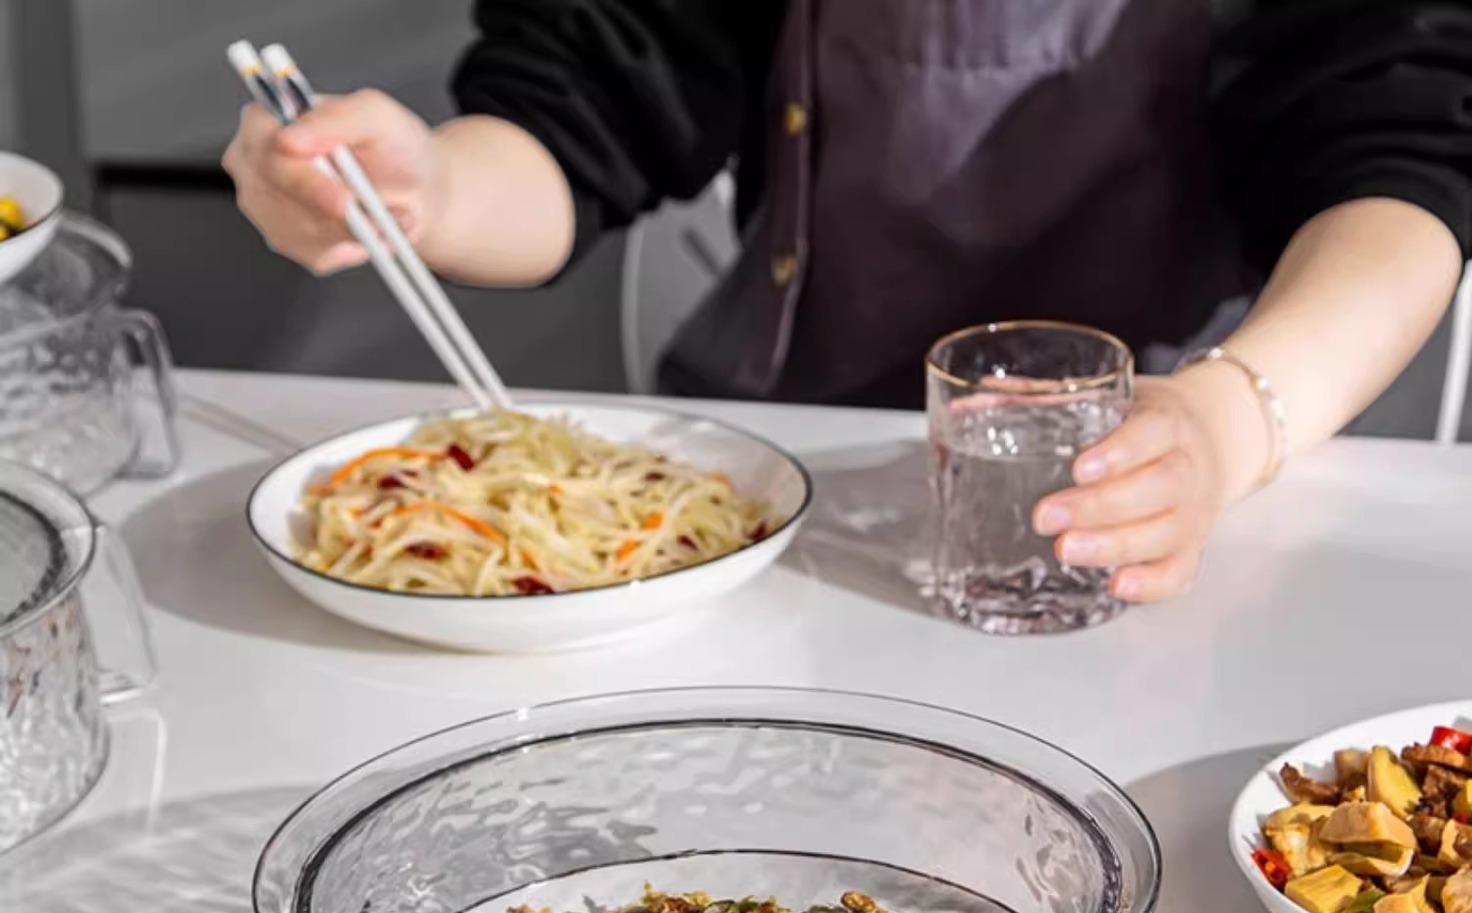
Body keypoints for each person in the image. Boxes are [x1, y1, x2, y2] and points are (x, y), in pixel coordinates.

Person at [224, 1, 1472, 604]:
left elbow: (1403, 173)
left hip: (1176, 493)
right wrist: (423, 190)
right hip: (766, 511)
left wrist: (1226, 423)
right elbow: (588, 113)